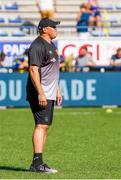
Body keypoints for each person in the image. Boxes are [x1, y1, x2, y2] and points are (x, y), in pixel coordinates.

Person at [26, 17, 62, 173]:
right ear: (45, 29)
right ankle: (37, 163)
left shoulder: (50, 45)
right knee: (41, 125)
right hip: (41, 93)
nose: (56, 29)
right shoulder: (37, 45)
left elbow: (51, 70)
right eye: (53, 26)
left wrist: (57, 89)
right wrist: (41, 93)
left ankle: (38, 162)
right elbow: (33, 70)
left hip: (49, 92)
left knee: (45, 126)